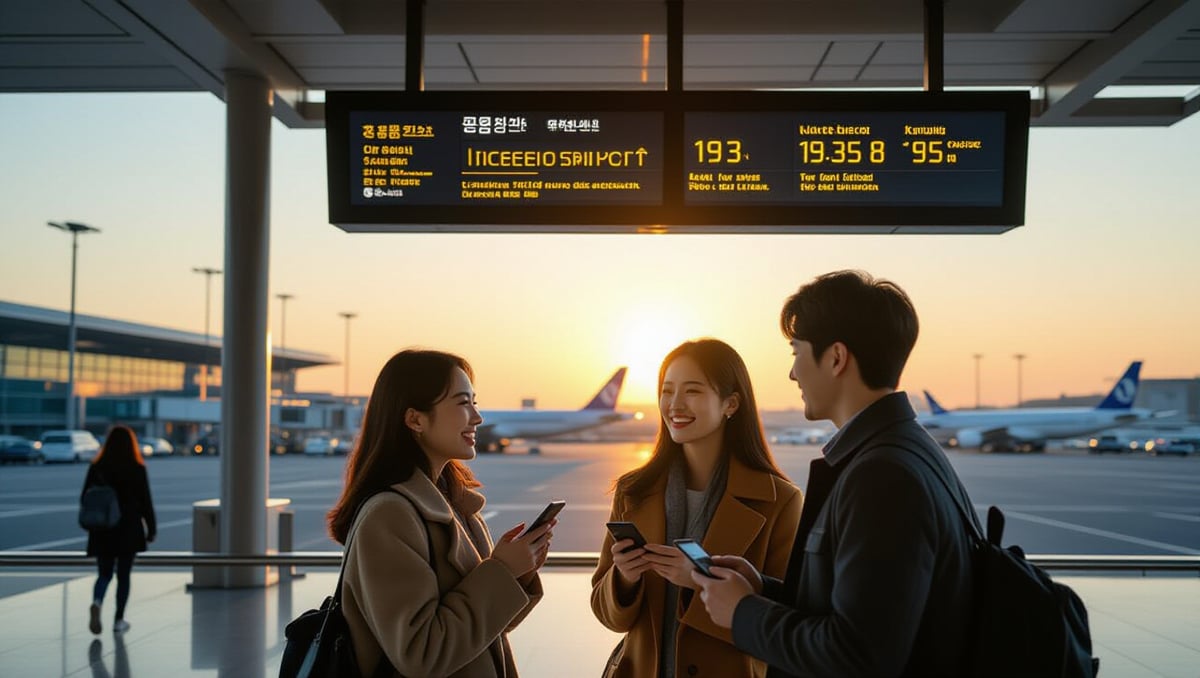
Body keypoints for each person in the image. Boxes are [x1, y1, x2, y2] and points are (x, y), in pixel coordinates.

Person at [691, 270, 979, 677]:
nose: (792, 374)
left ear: (836, 358)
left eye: (796, 353)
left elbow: (858, 656)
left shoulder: (882, 477)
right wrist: (764, 591)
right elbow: (872, 613)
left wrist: (744, 613)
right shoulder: (908, 449)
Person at [327, 349, 553, 678]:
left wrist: (518, 572)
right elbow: (421, 654)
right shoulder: (389, 515)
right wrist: (502, 570)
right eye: (463, 403)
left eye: (475, 402)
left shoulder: (456, 505)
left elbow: (485, 630)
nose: (477, 417)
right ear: (415, 419)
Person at [591, 338, 803, 678]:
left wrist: (699, 583)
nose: (674, 404)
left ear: (731, 404)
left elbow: (784, 625)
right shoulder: (634, 492)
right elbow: (607, 615)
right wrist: (625, 579)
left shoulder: (779, 500)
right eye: (667, 390)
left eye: (692, 391)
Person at [81, 424, 156, 635]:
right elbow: (145, 502)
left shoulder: (97, 468)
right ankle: (118, 619)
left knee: (104, 573)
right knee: (124, 575)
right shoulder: (136, 468)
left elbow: (84, 497)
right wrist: (151, 528)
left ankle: (97, 602)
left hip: (103, 527)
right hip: (128, 527)